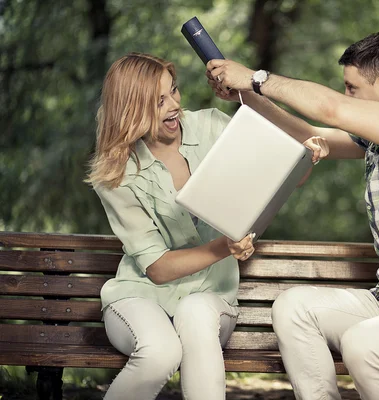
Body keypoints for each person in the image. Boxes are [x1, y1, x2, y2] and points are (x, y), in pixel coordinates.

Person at [205, 32, 379, 400]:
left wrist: (256, 78)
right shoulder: (377, 141)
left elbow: (331, 110)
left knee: (364, 344)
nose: (347, 97)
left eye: (352, 88)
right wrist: (248, 96)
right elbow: (307, 131)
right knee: (293, 308)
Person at [86, 52, 256, 400]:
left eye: (173, 91)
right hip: (139, 296)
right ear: (131, 110)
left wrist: (301, 154)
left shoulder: (211, 126)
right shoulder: (115, 172)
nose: (174, 105)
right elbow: (159, 269)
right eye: (158, 101)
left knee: (194, 313)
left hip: (210, 299)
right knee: (161, 351)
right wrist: (225, 246)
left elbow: (278, 170)